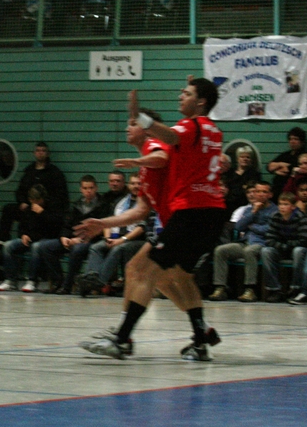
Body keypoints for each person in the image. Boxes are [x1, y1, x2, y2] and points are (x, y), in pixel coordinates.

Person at [78, 76, 226, 361]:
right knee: (175, 277)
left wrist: (140, 118)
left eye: (187, 93)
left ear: (201, 101)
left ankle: (122, 338)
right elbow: (140, 211)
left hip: (191, 212)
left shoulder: (174, 135)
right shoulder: (211, 130)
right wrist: (103, 224)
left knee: (140, 269)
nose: (129, 126)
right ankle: (201, 335)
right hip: (211, 213)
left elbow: (163, 150)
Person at [80, 173, 149, 296]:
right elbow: (109, 221)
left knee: (118, 248)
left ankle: (99, 282)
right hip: (116, 237)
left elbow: (141, 228)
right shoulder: (120, 202)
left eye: (139, 183)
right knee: (96, 247)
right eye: (133, 183)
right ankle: (90, 277)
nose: (136, 186)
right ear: (128, 185)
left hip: (136, 240)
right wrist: (107, 238)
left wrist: (122, 239)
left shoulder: (146, 204)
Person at [208, 181, 277, 303]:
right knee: (221, 250)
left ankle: (250, 289)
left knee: (249, 251)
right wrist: (253, 212)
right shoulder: (249, 209)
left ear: (270, 194)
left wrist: (252, 227)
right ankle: (220, 287)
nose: (260, 194)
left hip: (262, 244)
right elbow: (239, 227)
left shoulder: (275, 211)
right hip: (245, 242)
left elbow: (269, 230)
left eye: (264, 192)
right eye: (258, 191)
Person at [38, 174, 105, 295]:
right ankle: (58, 281)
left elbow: (101, 229)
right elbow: (67, 224)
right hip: (74, 238)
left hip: (92, 241)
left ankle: (67, 286)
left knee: (77, 249)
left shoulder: (102, 205)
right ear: (81, 189)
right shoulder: (76, 204)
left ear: (96, 188)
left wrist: (80, 239)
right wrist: (64, 237)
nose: (88, 191)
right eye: (85, 188)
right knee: (45, 247)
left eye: (91, 188)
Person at [0, 184, 64, 292]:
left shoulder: (53, 206)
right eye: (33, 200)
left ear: (43, 198)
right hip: (31, 238)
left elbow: (56, 225)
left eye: (38, 200)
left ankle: (32, 280)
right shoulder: (28, 209)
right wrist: (24, 235)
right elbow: (23, 225)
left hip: (46, 238)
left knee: (36, 247)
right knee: (8, 246)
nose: (35, 203)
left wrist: (42, 213)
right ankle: (10, 280)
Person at [0, 142, 68, 244]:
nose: (40, 153)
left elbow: (60, 194)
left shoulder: (54, 172)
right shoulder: (29, 171)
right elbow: (20, 190)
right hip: (28, 206)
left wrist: (45, 205)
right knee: (8, 209)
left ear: (48, 153)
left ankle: (34, 239)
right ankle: (3, 239)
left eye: (43, 151)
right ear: (34, 153)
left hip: (46, 208)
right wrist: (22, 202)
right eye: (38, 150)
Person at [260, 192, 307, 303]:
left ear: (293, 207)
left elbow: (304, 240)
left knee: (298, 251)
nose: (282, 207)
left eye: (285, 204)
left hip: (297, 250)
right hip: (282, 249)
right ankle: (275, 289)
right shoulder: (275, 216)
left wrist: (286, 245)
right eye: (280, 204)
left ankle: (296, 288)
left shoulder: (300, 217)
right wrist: (284, 246)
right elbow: (269, 239)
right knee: (266, 251)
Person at [267, 127, 307, 200]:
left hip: (291, 192)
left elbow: (288, 170)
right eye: (290, 139)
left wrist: (277, 169)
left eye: (295, 139)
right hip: (276, 190)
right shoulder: (286, 155)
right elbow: (268, 167)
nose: (292, 141)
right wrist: (281, 164)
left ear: (302, 141)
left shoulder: (303, 156)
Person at [222, 145, 261, 212]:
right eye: (242, 157)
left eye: (248, 157)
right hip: (228, 204)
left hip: (245, 205)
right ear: (237, 159)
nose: (245, 159)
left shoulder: (254, 174)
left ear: (251, 160)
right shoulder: (229, 172)